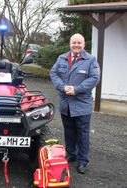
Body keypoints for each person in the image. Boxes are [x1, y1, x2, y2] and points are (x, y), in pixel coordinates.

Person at [50, 33, 100, 174]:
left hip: (82, 104)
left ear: (83, 44)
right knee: (69, 131)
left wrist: (76, 89)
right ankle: (71, 154)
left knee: (82, 134)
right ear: (70, 44)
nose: (76, 45)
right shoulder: (62, 58)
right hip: (66, 104)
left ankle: (83, 161)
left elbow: (94, 78)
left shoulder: (90, 60)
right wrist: (62, 87)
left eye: (79, 43)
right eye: (74, 43)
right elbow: (53, 74)